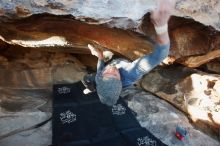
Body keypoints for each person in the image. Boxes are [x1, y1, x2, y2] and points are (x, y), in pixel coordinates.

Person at [83, 0, 175, 106]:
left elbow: (101, 68)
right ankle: (95, 89)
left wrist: (98, 55)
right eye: (115, 75)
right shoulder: (130, 73)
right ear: (120, 80)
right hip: (123, 63)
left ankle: (92, 89)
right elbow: (160, 55)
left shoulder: (100, 76)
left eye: (107, 73)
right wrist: (161, 26)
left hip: (104, 75)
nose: (111, 70)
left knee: (91, 79)